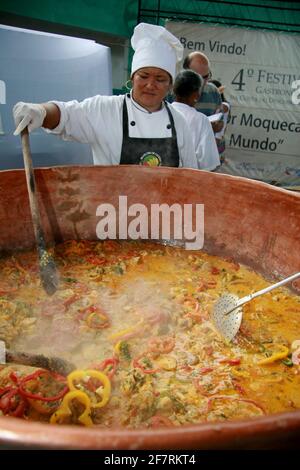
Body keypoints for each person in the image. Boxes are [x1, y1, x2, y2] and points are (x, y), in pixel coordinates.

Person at [13, 23, 198, 169]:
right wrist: (41, 111)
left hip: (165, 213)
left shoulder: (178, 122)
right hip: (111, 212)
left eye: (160, 78)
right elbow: (66, 115)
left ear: (169, 85)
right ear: (132, 77)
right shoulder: (105, 109)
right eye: (144, 76)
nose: (150, 84)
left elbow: (192, 177)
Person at [171, 70, 220, 171]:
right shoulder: (201, 120)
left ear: (174, 90)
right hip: (188, 180)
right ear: (197, 95)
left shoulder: (164, 112)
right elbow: (208, 163)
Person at [182, 51, 223, 133]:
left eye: (206, 77)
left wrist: (216, 126)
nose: (201, 82)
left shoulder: (213, 92)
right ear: (185, 72)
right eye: (197, 77)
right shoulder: (170, 92)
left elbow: (221, 122)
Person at [209, 79, 231, 164]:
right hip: (212, 139)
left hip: (216, 139)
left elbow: (217, 112)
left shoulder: (225, 105)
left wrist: (215, 94)